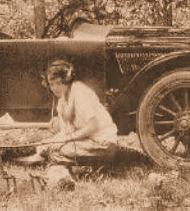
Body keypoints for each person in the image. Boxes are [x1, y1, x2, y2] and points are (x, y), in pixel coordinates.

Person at [17, 60, 118, 188]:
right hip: (89, 142)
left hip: (103, 144)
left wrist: (62, 140)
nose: (55, 88)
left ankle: (61, 176)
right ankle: (62, 176)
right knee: (51, 147)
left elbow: (92, 126)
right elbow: (66, 132)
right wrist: (48, 144)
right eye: (52, 84)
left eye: (59, 83)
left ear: (67, 80)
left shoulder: (80, 92)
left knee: (56, 153)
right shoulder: (62, 101)